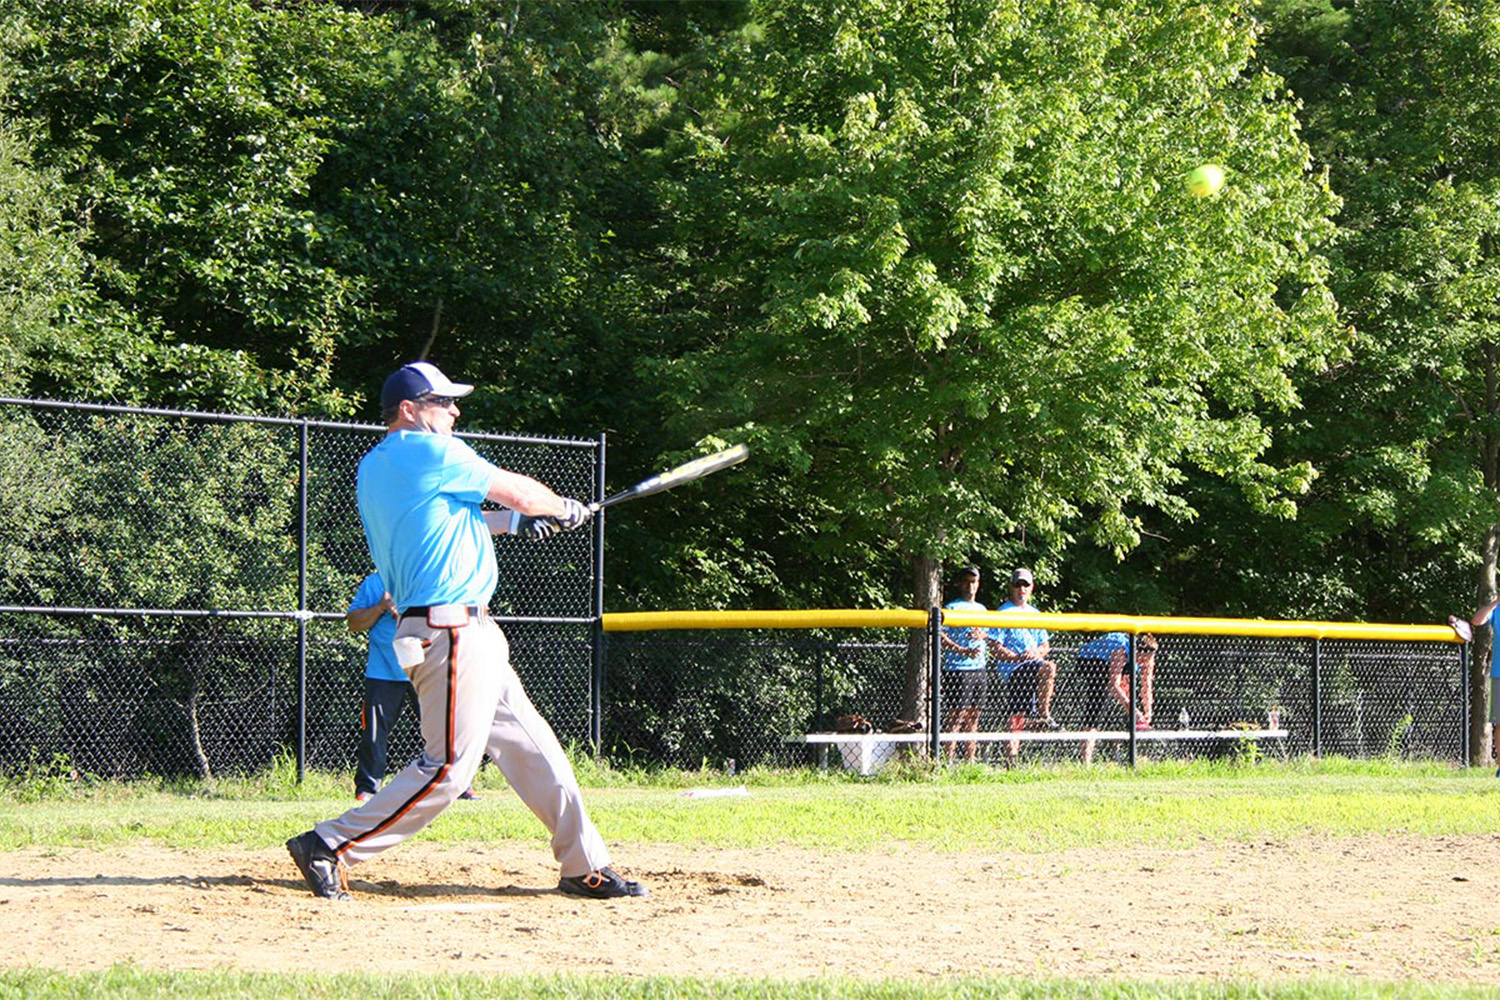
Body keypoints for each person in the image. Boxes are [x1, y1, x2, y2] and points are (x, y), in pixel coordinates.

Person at [287, 361, 646, 901]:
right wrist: (558, 507)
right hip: (450, 630)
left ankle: (582, 863)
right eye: (442, 402)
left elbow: (453, 520)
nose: (454, 411)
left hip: (462, 630)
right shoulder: (425, 450)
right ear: (409, 411)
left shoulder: (380, 464)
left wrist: (516, 523)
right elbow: (518, 491)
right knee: (449, 769)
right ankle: (330, 844)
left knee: (533, 748)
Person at [346, 571, 477, 803]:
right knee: (374, 733)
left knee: (443, 730)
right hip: (383, 672)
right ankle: (367, 789)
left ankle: (459, 785)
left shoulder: (430, 578)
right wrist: (381, 606)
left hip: (426, 670)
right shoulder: (375, 583)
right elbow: (353, 623)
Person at [991, 568, 1060, 760]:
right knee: (1017, 714)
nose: (1021, 589)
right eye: (1017, 584)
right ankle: (1041, 717)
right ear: (1011, 587)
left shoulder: (1035, 613)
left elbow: (1045, 644)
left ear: (1031, 588)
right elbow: (994, 646)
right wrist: (1016, 657)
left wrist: (1036, 652)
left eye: (1025, 585)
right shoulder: (1003, 612)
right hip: (1014, 668)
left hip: (1034, 666)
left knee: (1019, 713)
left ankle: (1042, 715)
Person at [1074, 632, 1158, 764]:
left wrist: (1148, 711)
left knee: (1128, 690)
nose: (1143, 664)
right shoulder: (1120, 650)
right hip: (1092, 662)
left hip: (1119, 664)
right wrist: (1133, 710)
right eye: (1141, 660)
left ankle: (1127, 754)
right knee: (1098, 704)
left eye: (1146, 661)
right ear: (1136, 651)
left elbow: (1146, 685)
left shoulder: (1149, 656)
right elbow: (1114, 686)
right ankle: (1086, 762)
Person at [939, 566, 989, 763]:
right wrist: (961, 649)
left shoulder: (981, 609)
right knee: (956, 717)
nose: (971, 586)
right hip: (958, 669)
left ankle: (970, 761)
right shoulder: (952, 608)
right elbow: (940, 634)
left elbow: (988, 632)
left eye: (974, 582)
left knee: (973, 718)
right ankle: (947, 760)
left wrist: (981, 634)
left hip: (979, 667)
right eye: (967, 581)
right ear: (960, 583)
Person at [1451, 598, 1500, 777]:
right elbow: (1477, 620)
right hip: (1499, 673)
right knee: (1499, 725)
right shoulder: (1496, 609)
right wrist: (1495, 602)